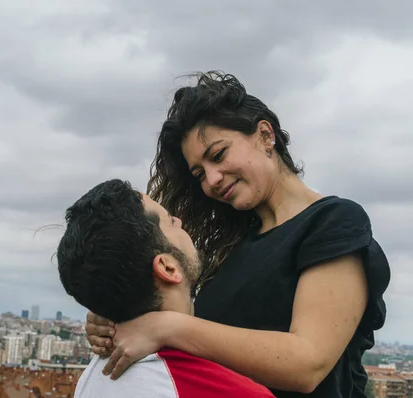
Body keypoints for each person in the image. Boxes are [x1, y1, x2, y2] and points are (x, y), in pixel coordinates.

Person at [84, 71, 390, 397]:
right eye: (199, 173)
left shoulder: (334, 221)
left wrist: (166, 328)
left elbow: (307, 364)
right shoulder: (230, 248)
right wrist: (115, 321)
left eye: (217, 155)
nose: (212, 180)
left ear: (264, 135)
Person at [57, 179, 276, 397]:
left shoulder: (92, 378)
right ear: (167, 268)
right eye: (170, 221)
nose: (179, 221)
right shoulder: (231, 392)